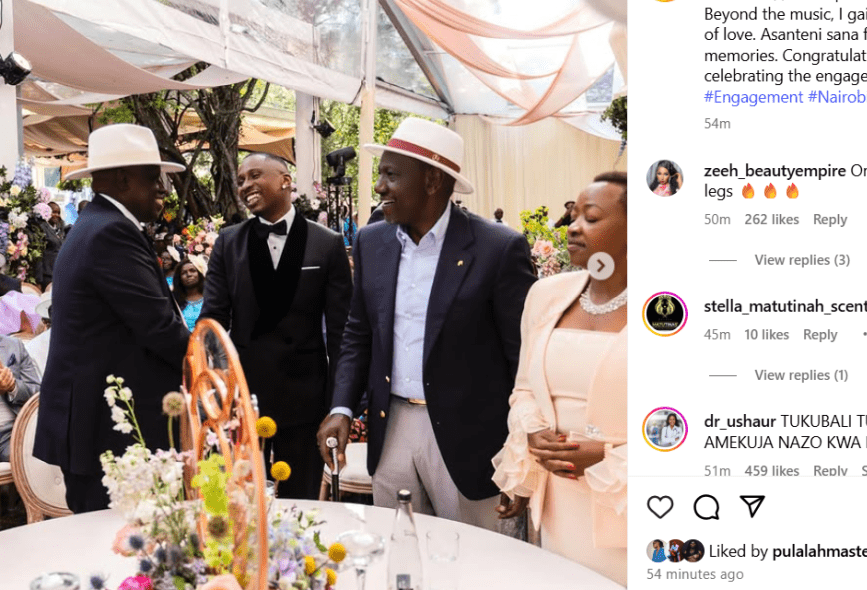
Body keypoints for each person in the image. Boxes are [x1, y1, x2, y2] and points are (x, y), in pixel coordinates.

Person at [318, 118, 536, 529]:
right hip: (391, 429)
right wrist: (342, 406)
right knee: (401, 549)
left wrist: (519, 452)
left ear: (433, 181)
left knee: (475, 557)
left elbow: (523, 357)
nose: (379, 187)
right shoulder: (371, 241)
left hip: (472, 442)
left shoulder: (498, 248)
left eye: (391, 175)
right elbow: (358, 333)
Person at [33, 123, 191, 513]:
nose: (162, 189)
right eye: (153, 178)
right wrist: (218, 362)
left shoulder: (98, 224)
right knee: (115, 543)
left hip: (103, 426)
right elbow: (159, 328)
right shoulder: (111, 232)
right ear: (123, 180)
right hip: (108, 431)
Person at [494, 172, 628, 584]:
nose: (573, 227)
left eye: (591, 218)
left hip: (629, 502)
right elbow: (524, 390)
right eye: (573, 215)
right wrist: (533, 435)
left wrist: (607, 454)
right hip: (558, 502)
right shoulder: (546, 295)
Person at [201, 152, 352, 500]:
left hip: (305, 400)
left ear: (285, 180)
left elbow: (342, 333)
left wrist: (338, 404)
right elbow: (214, 323)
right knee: (240, 502)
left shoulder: (325, 242)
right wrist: (221, 392)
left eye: (255, 175)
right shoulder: (229, 242)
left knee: (300, 504)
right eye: (241, 180)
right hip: (243, 399)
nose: (245, 185)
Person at [0, 334, 40, 461]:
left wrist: (13, 387)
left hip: (11, 434)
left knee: (38, 457)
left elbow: (37, 393)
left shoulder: (15, 346)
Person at [172, 257, 206, 331]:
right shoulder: (174, 301)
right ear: (179, 278)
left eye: (192, 271)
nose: (188, 274)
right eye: (184, 273)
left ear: (199, 273)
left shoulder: (210, 298)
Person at [36, 202, 65, 286]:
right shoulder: (41, 228)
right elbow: (39, 255)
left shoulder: (61, 227)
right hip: (47, 274)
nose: (57, 215)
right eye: (54, 212)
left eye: (58, 213)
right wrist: (39, 280)